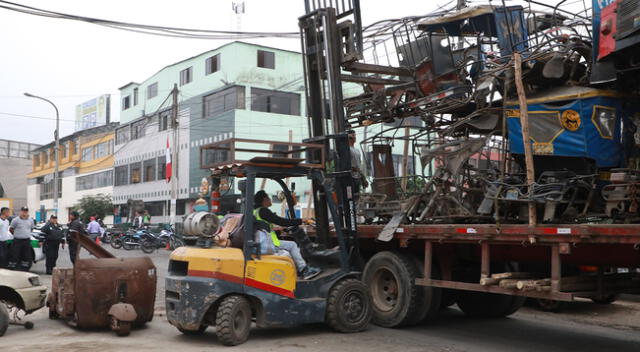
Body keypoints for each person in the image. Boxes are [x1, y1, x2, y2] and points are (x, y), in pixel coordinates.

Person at [253, 191, 320, 280]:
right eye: (269, 198)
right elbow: (281, 221)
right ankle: (304, 270)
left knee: (290, 247)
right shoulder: (263, 211)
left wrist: (279, 231)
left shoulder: (255, 211)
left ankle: (298, 271)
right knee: (292, 245)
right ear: (265, 199)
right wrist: (302, 220)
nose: (270, 200)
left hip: (262, 242)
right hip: (268, 244)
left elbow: (263, 228)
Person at [8, 207, 34, 271]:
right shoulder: (15, 220)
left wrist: (25, 234)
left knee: (26, 255)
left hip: (27, 240)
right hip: (17, 241)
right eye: (23, 211)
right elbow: (11, 229)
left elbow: (31, 229)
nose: (24, 213)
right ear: (21, 212)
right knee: (15, 255)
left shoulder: (31, 220)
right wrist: (18, 235)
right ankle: (13, 268)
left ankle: (24, 269)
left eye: (26, 211)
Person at [348, 130, 368, 197]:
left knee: (357, 196)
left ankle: (356, 207)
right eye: (353, 135)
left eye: (355, 135)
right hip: (350, 177)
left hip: (357, 177)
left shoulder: (357, 150)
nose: (355, 137)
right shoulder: (347, 149)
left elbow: (359, 166)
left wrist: (363, 178)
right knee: (350, 196)